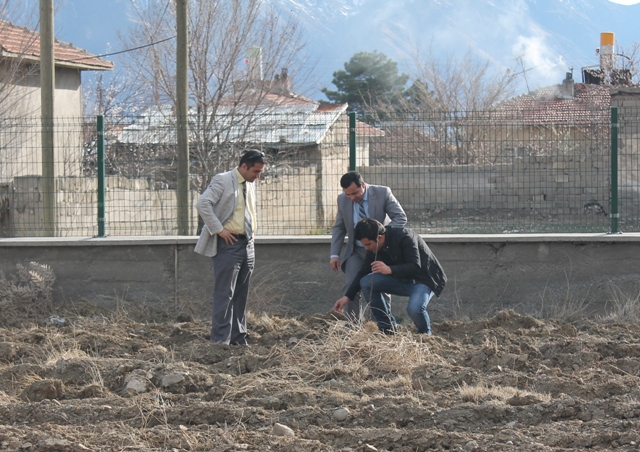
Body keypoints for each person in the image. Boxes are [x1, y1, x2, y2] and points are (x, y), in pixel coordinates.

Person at [194, 150, 265, 345]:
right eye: (256, 171)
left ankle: (238, 337)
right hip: (229, 244)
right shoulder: (223, 180)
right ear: (244, 167)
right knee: (225, 293)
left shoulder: (249, 183)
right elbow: (203, 203)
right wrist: (219, 230)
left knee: (241, 293)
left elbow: (246, 212)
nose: (258, 176)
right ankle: (220, 341)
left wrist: (251, 237)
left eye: (260, 172)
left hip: (248, 243)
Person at [333, 218, 446, 335]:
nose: (366, 248)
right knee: (367, 282)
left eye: (368, 244)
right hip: (401, 279)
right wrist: (347, 297)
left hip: (423, 280)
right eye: (364, 245)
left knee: (414, 309)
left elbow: (415, 266)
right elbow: (362, 272)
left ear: (379, 237)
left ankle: (425, 334)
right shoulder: (374, 249)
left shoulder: (405, 237)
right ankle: (387, 328)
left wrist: (390, 269)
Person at [330, 171, 406, 322]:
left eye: (355, 193)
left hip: (379, 251)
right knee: (351, 286)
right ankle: (352, 328)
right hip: (356, 251)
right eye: (348, 194)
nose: (352, 198)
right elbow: (339, 227)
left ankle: (381, 326)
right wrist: (334, 254)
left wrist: (382, 236)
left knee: (379, 287)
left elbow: (400, 217)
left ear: (363, 186)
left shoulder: (382, 193)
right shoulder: (342, 200)